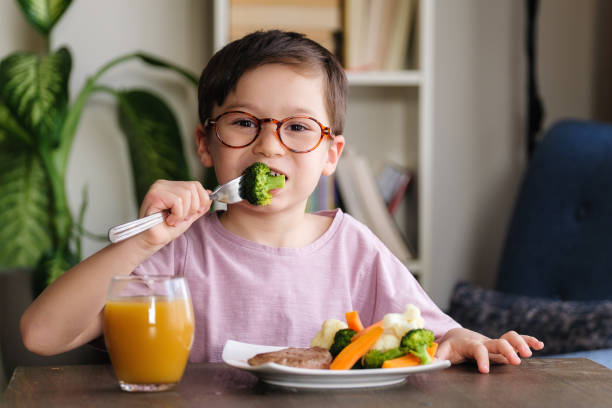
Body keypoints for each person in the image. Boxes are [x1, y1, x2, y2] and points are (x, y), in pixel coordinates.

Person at [20, 30, 543, 373]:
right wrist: (144, 242)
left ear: (331, 153)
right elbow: (41, 335)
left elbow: (437, 335)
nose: (269, 144)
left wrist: (466, 342)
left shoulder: (356, 250)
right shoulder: (174, 252)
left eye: (297, 127)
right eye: (244, 123)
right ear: (205, 143)